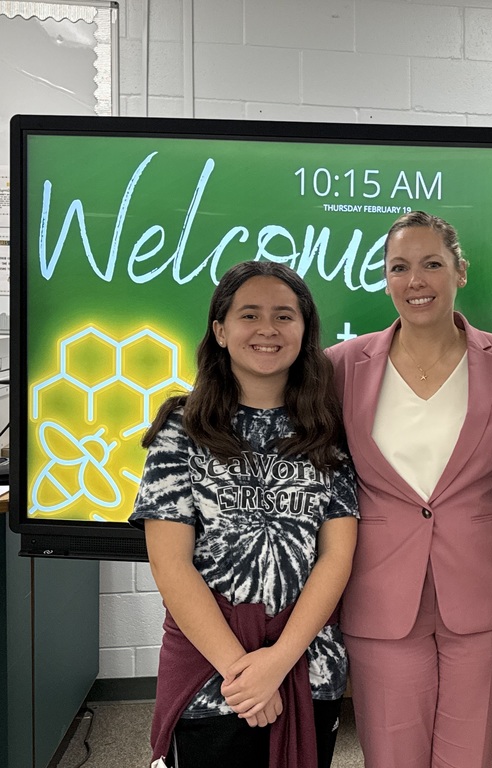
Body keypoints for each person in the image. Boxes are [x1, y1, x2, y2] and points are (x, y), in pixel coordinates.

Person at [325, 211, 492, 768]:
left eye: (431, 264)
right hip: (380, 593)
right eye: (399, 267)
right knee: (391, 755)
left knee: (469, 758)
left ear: (460, 272)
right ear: (386, 277)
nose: (414, 280)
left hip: (481, 593)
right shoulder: (342, 366)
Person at [131, 261, 359, 768]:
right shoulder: (181, 429)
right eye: (249, 314)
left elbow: (336, 558)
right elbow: (171, 566)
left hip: (307, 665)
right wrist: (244, 673)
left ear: (305, 330)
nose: (267, 329)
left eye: (284, 316)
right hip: (212, 675)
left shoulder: (329, 433)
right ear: (220, 329)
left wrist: (276, 663)